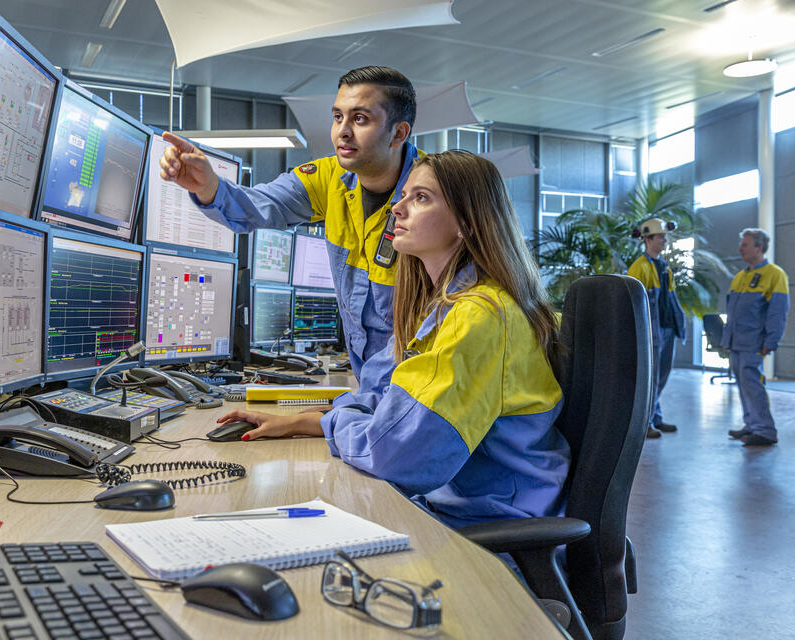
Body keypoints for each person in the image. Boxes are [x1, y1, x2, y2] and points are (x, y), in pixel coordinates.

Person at [215, 151, 570, 529]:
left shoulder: (480, 317)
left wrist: (335, 422)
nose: (397, 208)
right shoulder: (438, 308)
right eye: (403, 196)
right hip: (455, 503)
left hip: (491, 521)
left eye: (421, 198)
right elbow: (383, 395)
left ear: (466, 223)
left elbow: (395, 455)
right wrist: (306, 422)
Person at [158, 66, 422, 380]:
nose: (342, 131)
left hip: (420, 386)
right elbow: (259, 206)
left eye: (360, 119)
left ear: (399, 133)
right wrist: (209, 187)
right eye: (338, 117)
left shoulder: (436, 195)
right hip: (371, 386)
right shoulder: (329, 179)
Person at [724, 228, 790, 447]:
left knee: (753, 386)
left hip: (754, 343)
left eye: (745, 245)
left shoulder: (775, 275)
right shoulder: (740, 277)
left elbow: (778, 312)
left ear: (759, 247)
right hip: (736, 343)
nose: (740, 249)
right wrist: (726, 340)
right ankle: (751, 425)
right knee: (743, 386)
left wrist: (771, 341)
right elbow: (732, 313)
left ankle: (765, 430)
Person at [627, 218, 686, 439]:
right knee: (652, 379)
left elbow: (670, 300)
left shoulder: (664, 267)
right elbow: (633, 304)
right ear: (648, 239)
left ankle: (656, 417)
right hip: (652, 333)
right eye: (661, 237)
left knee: (662, 376)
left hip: (667, 328)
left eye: (664, 236)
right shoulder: (639, 267)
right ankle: (646, 423)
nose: (664, 240)